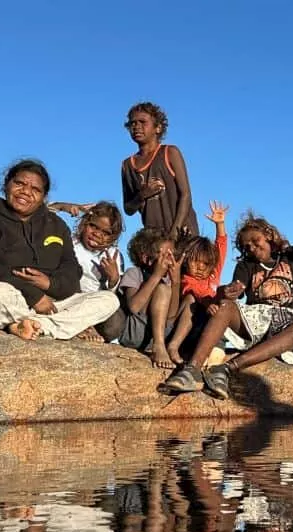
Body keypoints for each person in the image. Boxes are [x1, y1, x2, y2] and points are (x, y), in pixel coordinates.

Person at [158, 213, 293, 399]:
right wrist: (227, 292)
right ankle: (192, 369)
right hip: (257, 320)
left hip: (289, 321)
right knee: (226, 305)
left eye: (255, 240)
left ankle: (226, 369)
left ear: (268, 234)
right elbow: (235, 288)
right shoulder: (246, 266)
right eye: (247, 246)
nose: (252, 248)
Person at [0, 160, 120, 341]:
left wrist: (49, 284)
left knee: (109, 301)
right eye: (19, 183)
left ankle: (32, 325)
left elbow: (71, 269)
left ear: (43, 196)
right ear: (6, 184)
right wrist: (34, 295)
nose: (25, 191)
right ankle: (54, 325)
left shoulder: (56, 225)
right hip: (8, 296)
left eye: (35, 189)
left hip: (51, 302)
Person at [164, 201, 230, 365]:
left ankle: (210, 353)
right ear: (187, 261)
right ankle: (173, 346)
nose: (201, 267)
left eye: (206, 264)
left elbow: (220, 248)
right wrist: (208, 302)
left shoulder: (213, 275)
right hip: (183, 327)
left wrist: (220, 224)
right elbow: (195, 291)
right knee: (192, 300)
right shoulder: (186, 278)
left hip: (203, 328)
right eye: (196, 262)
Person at [121, 102, 199, 239]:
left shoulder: (170, 153)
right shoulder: (127, 165)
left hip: (184, 235)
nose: (136, 126)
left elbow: (185, 195)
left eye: (142, 122)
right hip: (154, 239)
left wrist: (175, 232)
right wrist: (141, 195)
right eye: (132, 123)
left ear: (157, 128)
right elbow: (128, 209)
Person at [52, 200, 127, 342]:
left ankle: (83, 324)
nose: (97, 234)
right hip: (66, 297)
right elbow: (38, 217)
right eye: (94, 227)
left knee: (115, 324)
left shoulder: (114, 256)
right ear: (84, 223)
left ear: (113, 237)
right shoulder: (69, 241)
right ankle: (79, 327)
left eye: (106, 233)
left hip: (93, 306)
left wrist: (113, 280)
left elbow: (110, 295)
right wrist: (60, 207)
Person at [111, 228, 183, 367]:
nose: (171, 260)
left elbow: (172, 315)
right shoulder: (134, 273)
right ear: (146, 258)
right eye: (166, 255)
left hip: (161, 333)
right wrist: (156, 276)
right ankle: (159, 346)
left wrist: (176, 283)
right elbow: (134, 307)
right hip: (136, 332)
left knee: (167, 290)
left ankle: (160, 343)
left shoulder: (168, 281)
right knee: (161, 289)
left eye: (173, 255)